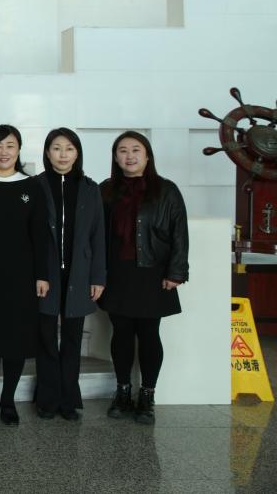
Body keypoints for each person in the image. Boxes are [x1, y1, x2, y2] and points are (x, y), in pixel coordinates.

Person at [99, 131, 189, 425]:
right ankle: (123, 391)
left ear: (147, 155)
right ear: (115, 158)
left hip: (153, 272)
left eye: (135, 150)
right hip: (117, 273)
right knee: (121, 333)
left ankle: (147, 396)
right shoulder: (106, 190)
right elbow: (95, 235)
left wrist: (176, 272)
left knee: (150, 334)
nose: (129, 156)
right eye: (122, 151)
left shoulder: (166, 190)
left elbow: (179, 233)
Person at [0, 125, 49, 427]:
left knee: (16, 339)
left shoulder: (32, 187)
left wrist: (42, 275)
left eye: (10, 146)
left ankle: (8, 400)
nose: (4, 152)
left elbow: (40, 234)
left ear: (19, 150)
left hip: (22, 276)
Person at [34, 127, 106, 421]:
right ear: (47, 153)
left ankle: (68, 399)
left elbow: (98, 235)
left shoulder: (90, 188)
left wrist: (98, 277)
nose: (62, 154)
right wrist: (36, 273)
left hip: (80, 273)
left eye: (69, 149)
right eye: (56, 148)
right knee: (46, 337)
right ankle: (47, 398)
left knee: (73, 338)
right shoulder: (36, 185)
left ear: (77, 154)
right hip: (46, 274)